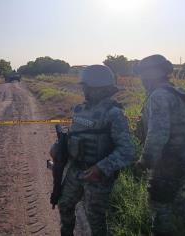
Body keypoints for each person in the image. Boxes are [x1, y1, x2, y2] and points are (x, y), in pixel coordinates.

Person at [51, 65, 135, 236]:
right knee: (64, 204)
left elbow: (127, 150)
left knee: (95, 218)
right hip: (76, 169)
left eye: (86, 87)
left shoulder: (114, 113)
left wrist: (101, 168)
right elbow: (75, 135)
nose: (84, 90)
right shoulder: (80, 110)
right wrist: (60, 147)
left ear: (100, 88)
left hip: (98, 176)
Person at [135, 55, 185, 236]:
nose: (141, 79)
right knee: (175, 195)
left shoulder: (158, 95)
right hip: (184, 154)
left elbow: (158, 133)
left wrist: (145, 161)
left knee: (158, 203)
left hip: (170, 159)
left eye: (143, 74)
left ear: (150, 74)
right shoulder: (173, 90)